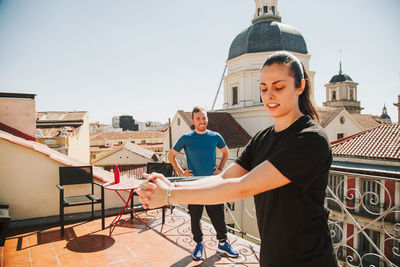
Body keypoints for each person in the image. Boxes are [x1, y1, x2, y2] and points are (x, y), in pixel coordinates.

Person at [138, 51, 338, 267]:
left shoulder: (310, 139)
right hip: (273, 258)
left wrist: (169, 195)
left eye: (279, 87)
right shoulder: (262, 138)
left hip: (310, 259)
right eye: (263, 88)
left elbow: (243, 187)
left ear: (300, 86)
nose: (269, 95)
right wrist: (172, 183)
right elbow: (224, 178)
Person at [167, 106, 239, 260]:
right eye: (198, 118)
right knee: (195, 217)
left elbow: (225, 152)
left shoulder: (215, 136)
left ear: (207, 119)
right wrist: (181, 173)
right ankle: (199, 244)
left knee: (218, 216)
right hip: (194, 184)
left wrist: (220, 169)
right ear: (193, 121)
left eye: (204, 117)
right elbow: (171, 155)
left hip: (212, 183)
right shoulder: (186, 138)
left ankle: (223, 243)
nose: (201, 121)